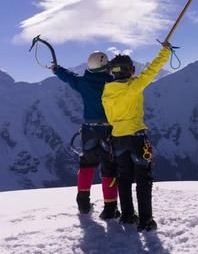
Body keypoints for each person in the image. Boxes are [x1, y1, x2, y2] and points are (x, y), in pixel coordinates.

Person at [102, 42, 172, 232]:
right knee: (143, 178)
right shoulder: (133, 87)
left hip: (117, 139)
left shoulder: (106, 94)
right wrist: (165, 52)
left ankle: (127, 216)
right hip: (137, 137)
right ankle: (146, 220)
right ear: (129, 70)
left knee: (123, 177)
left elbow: (109, 118)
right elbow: (151, 71)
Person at [52, 51, 120, 219]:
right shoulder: (113, 84)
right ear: (106, 66)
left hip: (88, 129)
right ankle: (110, 208)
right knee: (109, 169)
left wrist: (56, 69)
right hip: (108, 130)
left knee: (86, 165)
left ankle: (83, 203)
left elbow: (69, 77)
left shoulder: (83, 83)